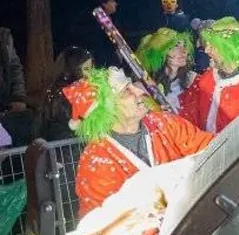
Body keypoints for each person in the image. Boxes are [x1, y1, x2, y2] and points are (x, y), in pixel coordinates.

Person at [65, 67, 214, 216]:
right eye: (126, 91)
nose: (140, 91)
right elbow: (100, 225)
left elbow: (212, 150)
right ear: (108, 110)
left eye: (132, 86)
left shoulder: (165, 124)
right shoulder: (96, 162)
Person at [177, 18, 239, 133]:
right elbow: (189, 114)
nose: (207, 50)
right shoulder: (208, 78)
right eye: (207, 45)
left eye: (212, 46)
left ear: (230, 49)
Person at [38, 47, 94, 142]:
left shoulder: (84, 90)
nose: (91, 73)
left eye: (91, 68)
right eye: (86, 69)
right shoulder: (62, 93)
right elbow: (68, 125)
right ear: (74, 68)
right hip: (66, 147)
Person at [135, 28, 197, 109]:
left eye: (184, 45)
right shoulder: (143, 85)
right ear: (159, 53)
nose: (184, 51)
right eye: (176, 46)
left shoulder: (193, 79)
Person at [0, 26, 32, 147]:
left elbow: (15, 69)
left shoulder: (4, 36)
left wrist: (18, 97)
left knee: (10, 144)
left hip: (6, 105)